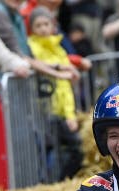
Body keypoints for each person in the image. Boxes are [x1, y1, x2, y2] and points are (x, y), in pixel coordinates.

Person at [28, 6, 83, 180]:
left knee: (76, 148)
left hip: (61, 110)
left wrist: (70, 114)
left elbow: (66, 86)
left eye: (46, 24)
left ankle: (61, 181)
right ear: (32, 29)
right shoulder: (31, 47)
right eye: (39, 25)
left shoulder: (59, 48)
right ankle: (47, 184)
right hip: (42, 110)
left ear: (53, 26)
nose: (43, 28)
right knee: (46, 152)